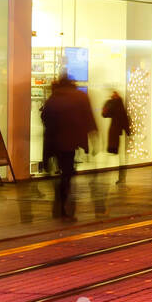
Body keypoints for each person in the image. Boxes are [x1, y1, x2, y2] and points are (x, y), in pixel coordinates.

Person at [40, 74, 98, 221]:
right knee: (67, 173)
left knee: (62, 171)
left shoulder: (53, 97)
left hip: (53, 141)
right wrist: (93, 138)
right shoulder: (79, 96)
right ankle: (63, 204)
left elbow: (44, 117)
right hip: (69, 142)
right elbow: (88, 117)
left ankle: (59, 197)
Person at [101, 90, 132, 184]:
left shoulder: (117, 104)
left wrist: (128, 132)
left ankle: (121, 178)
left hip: (117, 133)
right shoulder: (118, 104)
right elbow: (105, 114)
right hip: (118, 133)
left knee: (119, 156)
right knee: (119, 156)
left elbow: (105, 114)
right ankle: (121, 178)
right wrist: (128, 132)